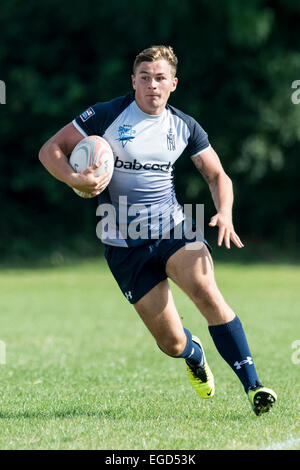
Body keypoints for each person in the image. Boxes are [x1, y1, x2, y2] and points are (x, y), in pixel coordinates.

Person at [39, 45, 277, 416]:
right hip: (123, 243)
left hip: (173, 229)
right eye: (145, 78)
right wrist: (74, 178)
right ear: (133, 81)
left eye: (160, 78)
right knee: (170, 342)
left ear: (173, 84)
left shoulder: (184, 126)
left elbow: (216, 175)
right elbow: (51, 148)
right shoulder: (107, 115)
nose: (152, 85)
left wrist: (225, 212)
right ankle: (193, 354)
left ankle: (254, 387)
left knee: (206, 292)